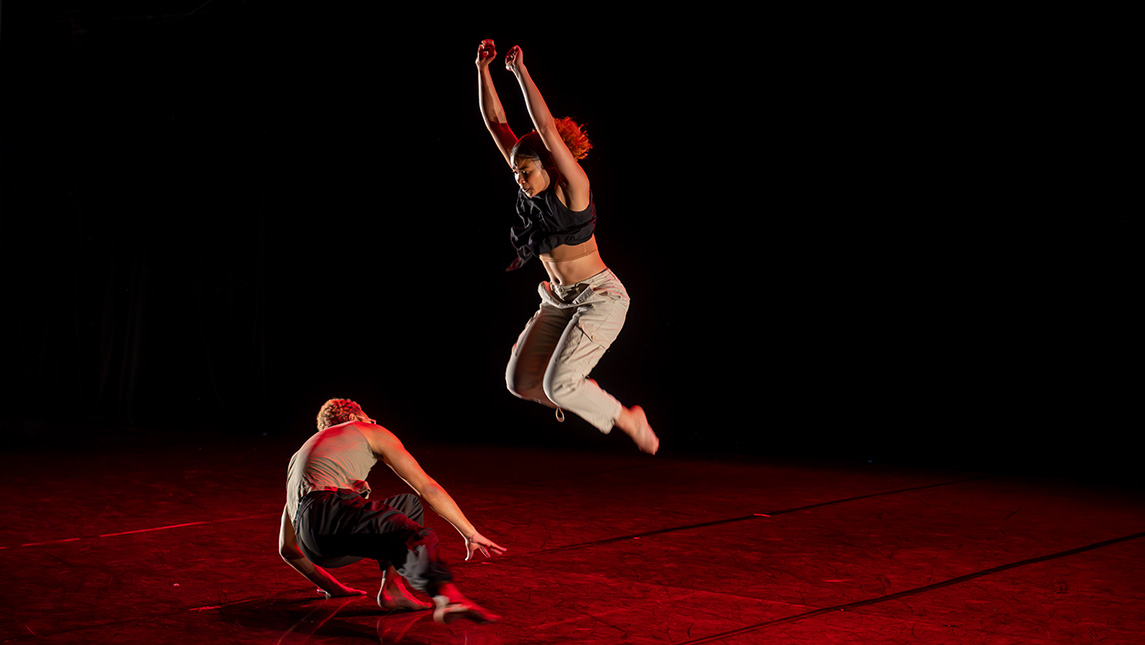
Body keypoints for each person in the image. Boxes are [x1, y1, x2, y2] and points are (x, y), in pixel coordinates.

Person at [475, 39, 659, 455]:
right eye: (515, 171)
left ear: (550, 164)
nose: (519, 178)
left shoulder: (573, 188)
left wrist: (520, 72)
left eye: (525, 171)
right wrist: (482, 69)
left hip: (600, 299)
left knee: (558, 384)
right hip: (559, 300)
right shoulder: (527, 177)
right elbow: (495, 121)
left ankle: (623, 416)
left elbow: (544, 129)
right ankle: (571, 389)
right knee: (520, 383)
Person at [279, 398, 504, 624]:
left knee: (407, 507)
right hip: (332, 510)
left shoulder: (302, 457)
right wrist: (469, 532)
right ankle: (449, 599)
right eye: (369, 418)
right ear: (353, 418)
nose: (373, 422)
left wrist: (333, 588)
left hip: (315, 546)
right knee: (413, 535)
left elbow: (288, 548)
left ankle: (393, 589)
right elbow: (426, 487)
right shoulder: (365, 429)